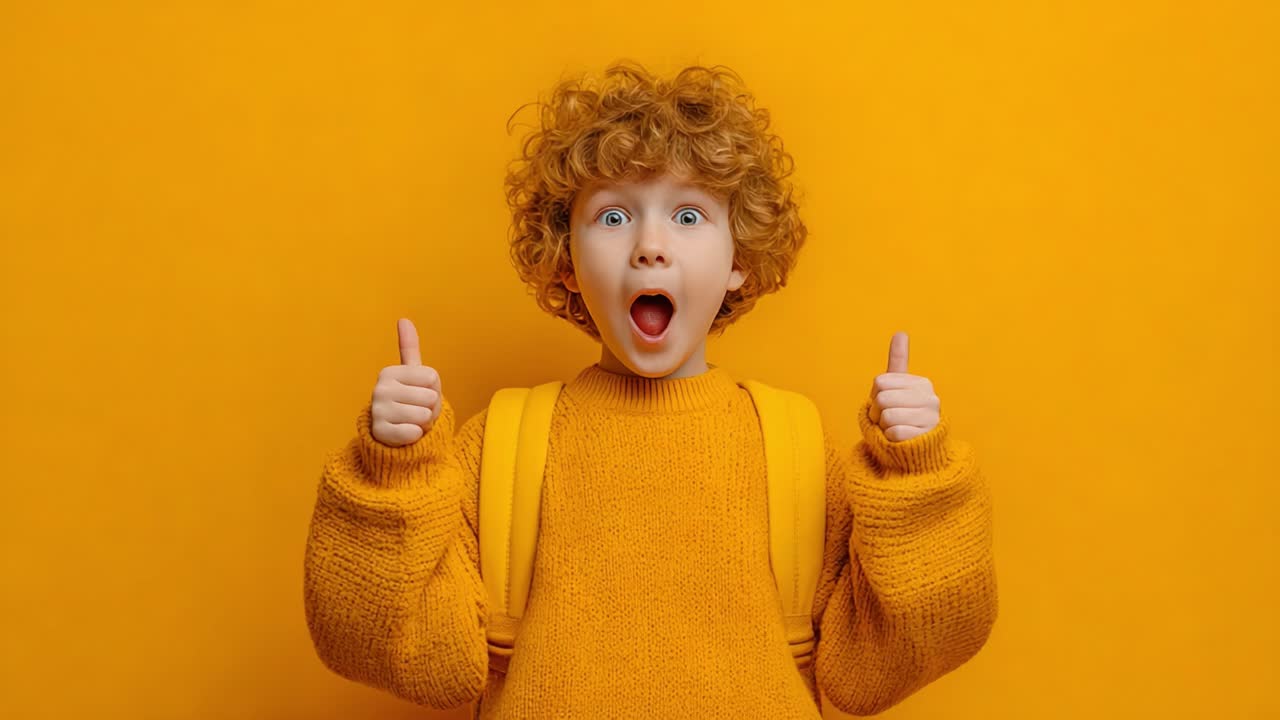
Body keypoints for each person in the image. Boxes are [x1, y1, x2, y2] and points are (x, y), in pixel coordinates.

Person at [303, 60, 998, 719]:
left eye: (689, 216)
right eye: (612, 216)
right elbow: (414, 658)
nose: (650, 246)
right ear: (566, 262)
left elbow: (880, 664)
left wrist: (918, 481)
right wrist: (392, 474)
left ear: (740, 260)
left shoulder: (793, 446)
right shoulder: (504, 443)